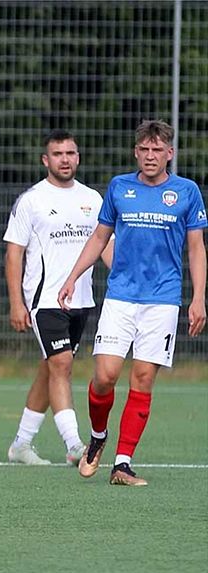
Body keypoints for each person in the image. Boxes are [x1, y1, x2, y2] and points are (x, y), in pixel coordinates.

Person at [58, 119, 207, 486]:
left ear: (169, 154)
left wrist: (198, 298)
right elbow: (99, 237)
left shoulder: (186, 191)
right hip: (121, 296)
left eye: (158, 150)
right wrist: (72, 276)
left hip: (163, 300)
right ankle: (97, 437)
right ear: (136, 152)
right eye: (145, 149)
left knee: (142, 380)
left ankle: (122, 463)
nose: (151, 156)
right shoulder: (119, 187)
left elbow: (196, 248)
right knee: (105, 376)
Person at [3, 129, 110, 466]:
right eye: (58, 154)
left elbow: (105, 244)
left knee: (51, 368)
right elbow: (13, 254)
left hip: (81, 300)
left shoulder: (93, 198)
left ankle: (21, 443)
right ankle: (75, 445)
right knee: (61, 365)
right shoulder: (32, 200)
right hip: (45, 300)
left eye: (71, 153)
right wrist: (17, 303)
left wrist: (125, 278)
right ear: (45, 160)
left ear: (78, 157)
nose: (65, 159)